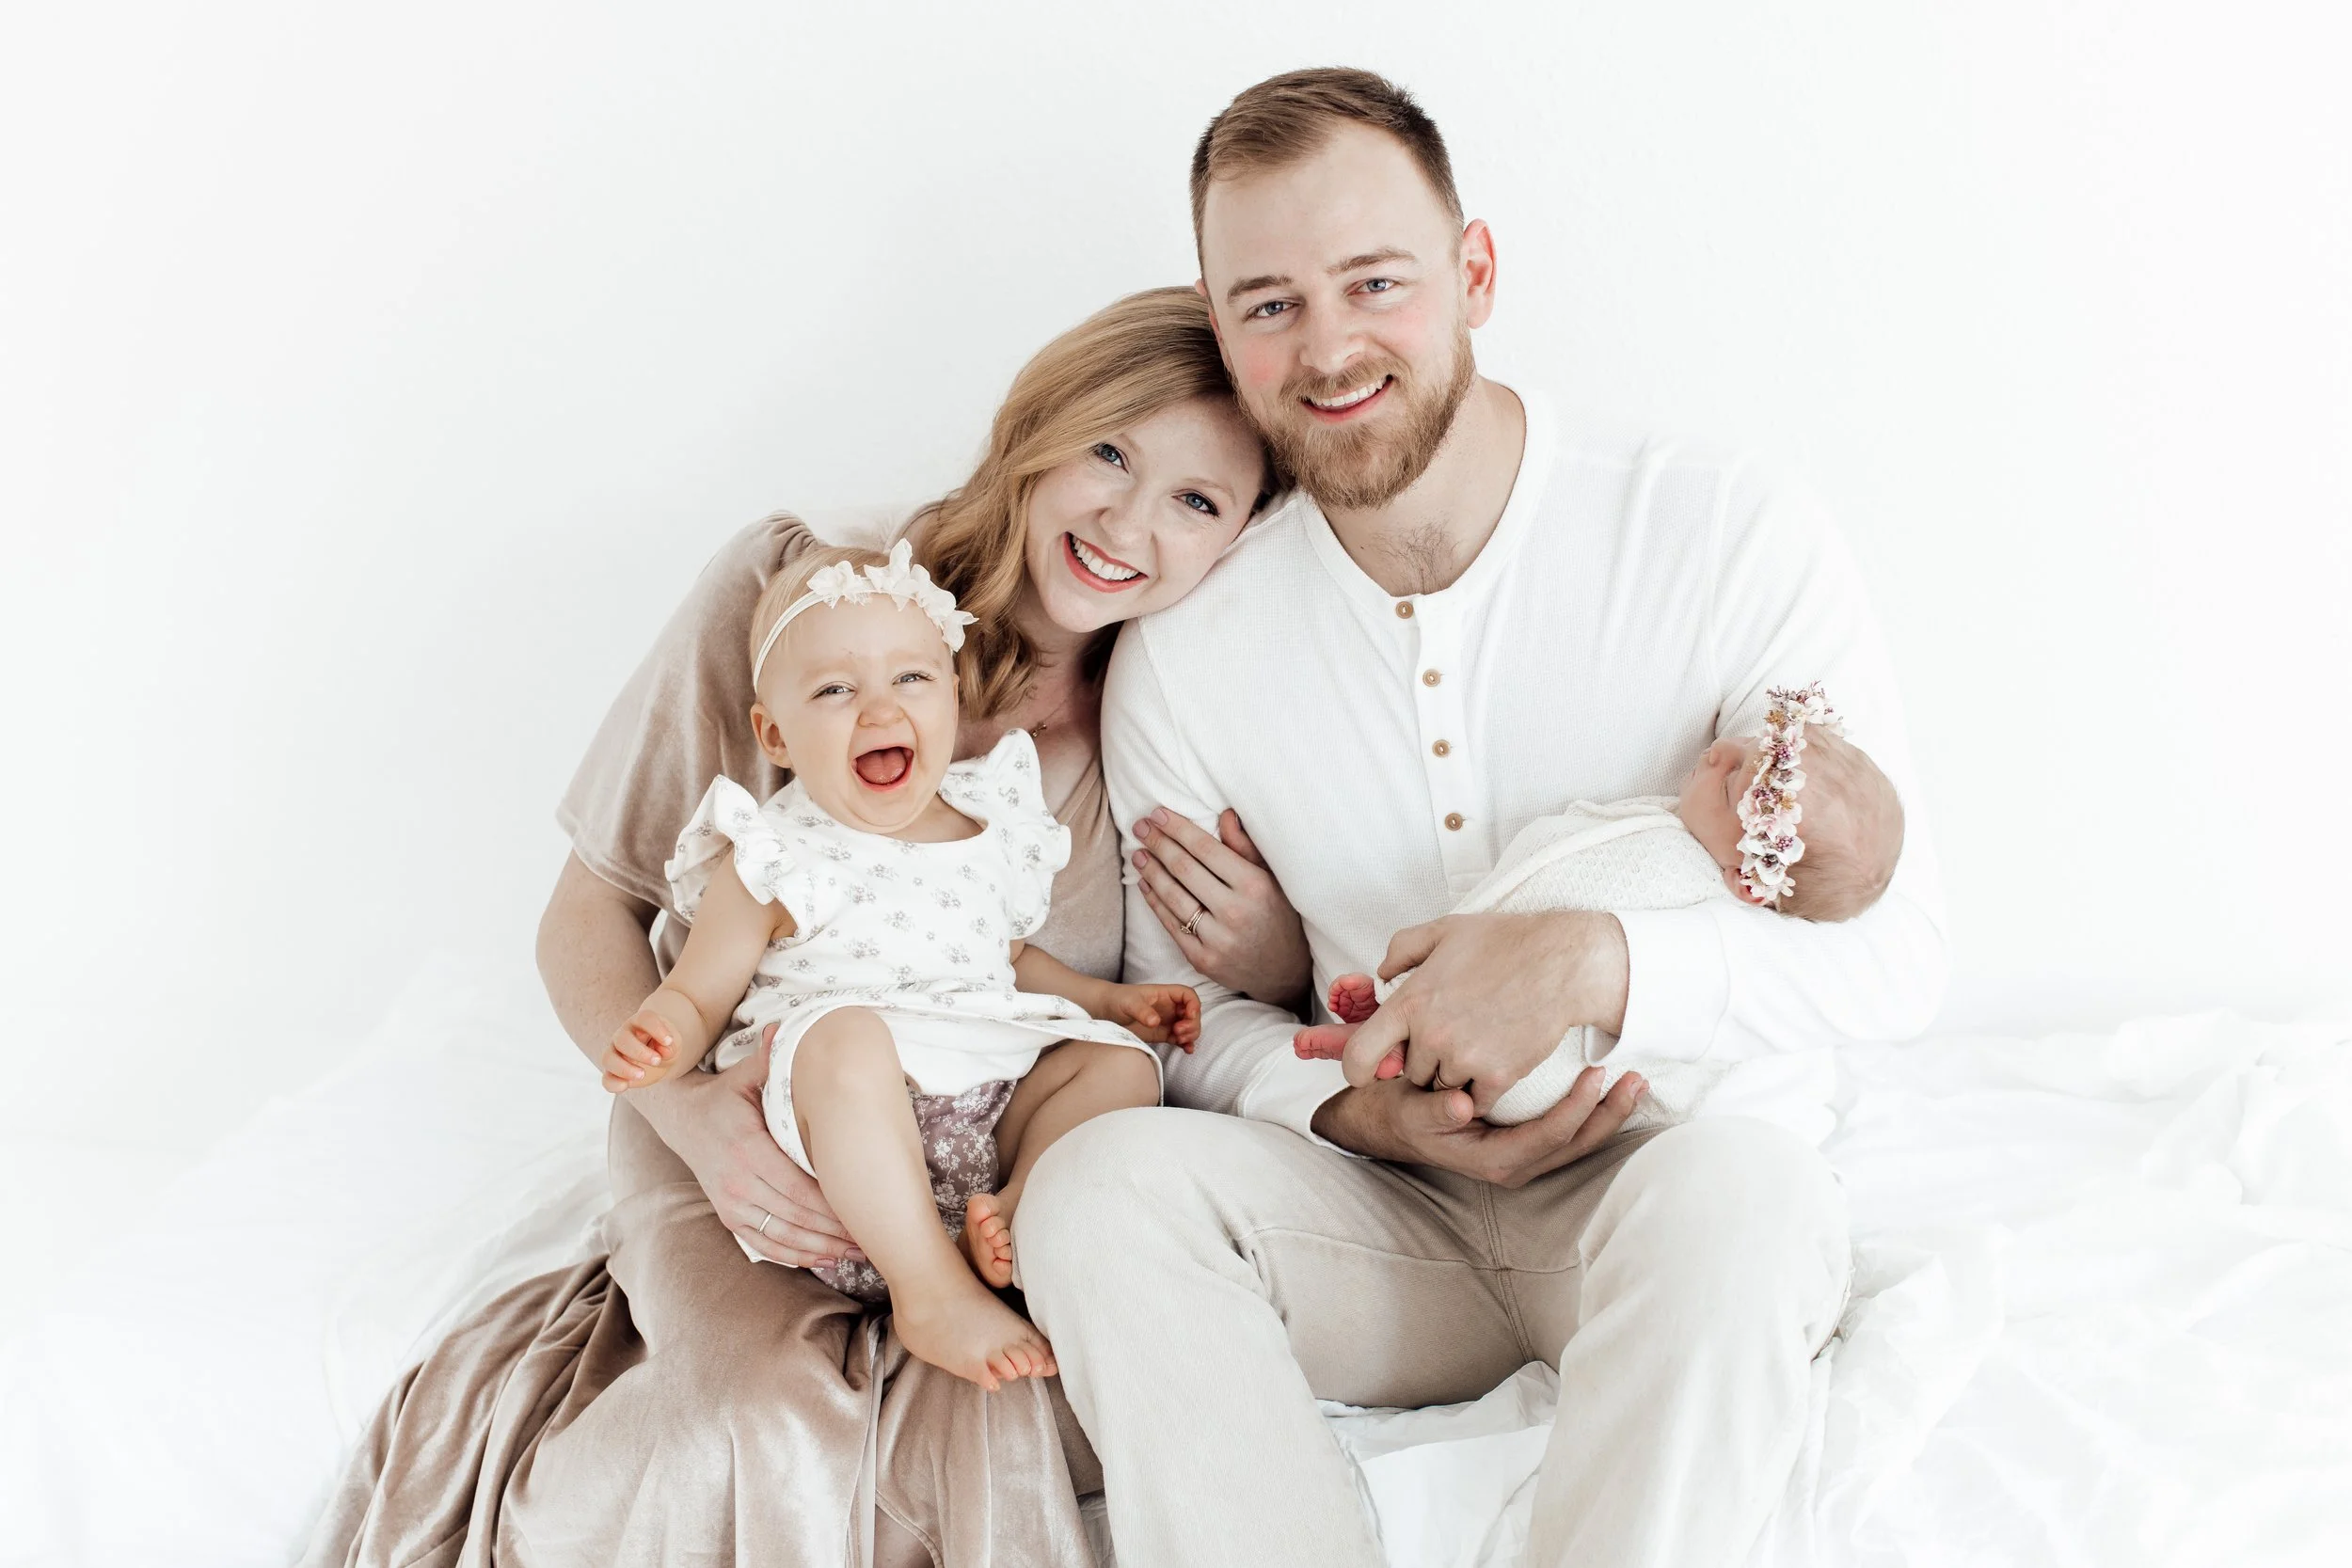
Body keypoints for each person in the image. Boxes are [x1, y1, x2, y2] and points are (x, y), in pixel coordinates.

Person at [1018, 69, 1948, 1568]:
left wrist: (1594, 966)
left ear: (1475, 273)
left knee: (1753, 1194)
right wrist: (1340, 1105)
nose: (1328, 348)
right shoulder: (1191, 641)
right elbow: (1179, 1019)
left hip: (1672, 1183)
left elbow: (1899, 955)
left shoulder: (1718, 531)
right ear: (1219, 323)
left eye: (1374, 282)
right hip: (1385, 1221)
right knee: (1101, 1188)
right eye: (1267, 305)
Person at [300, 287, 1296, 1568]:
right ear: (1040, 426)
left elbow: (1198, 1006)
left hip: (990, 1160)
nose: (1125, 520)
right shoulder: (806, 599)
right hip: (760, 1111)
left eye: (1196, 501)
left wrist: (1269, 958)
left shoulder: (1174, 717)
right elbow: (589, 911)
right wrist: (695, 1118)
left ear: (1239, 541)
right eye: (1109, 450)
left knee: (1020, 1406)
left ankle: (961, 1273)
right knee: (750, 1417)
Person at [603, 539, 1186, 1384]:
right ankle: (929, 1289)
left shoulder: (991, 824)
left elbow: (1010, 960)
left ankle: (1013, 1217)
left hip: (984, 1128)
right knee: (845, 1037)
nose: (879, 710)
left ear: (952, 696)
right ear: (776, 732)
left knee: (1118, 1068)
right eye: (836, 689)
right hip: (847, 1175)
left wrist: (1108, 1000)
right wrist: (658, 1033)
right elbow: (697, 992)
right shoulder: (776, 852)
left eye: (911, 679)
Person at [1294, 681, 1905, 1127]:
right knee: (1425, 1027)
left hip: (1530, 1071)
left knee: (1433, 1044)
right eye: (1742, 746)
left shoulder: (1671, 877)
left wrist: (1443, 967)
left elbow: (1553, 896)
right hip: (1477, 993)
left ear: (1750, 879)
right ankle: (1380, 1028)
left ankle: (1377, 1033)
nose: (1717, 752)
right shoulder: (1682, 832)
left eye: (1728, 782)